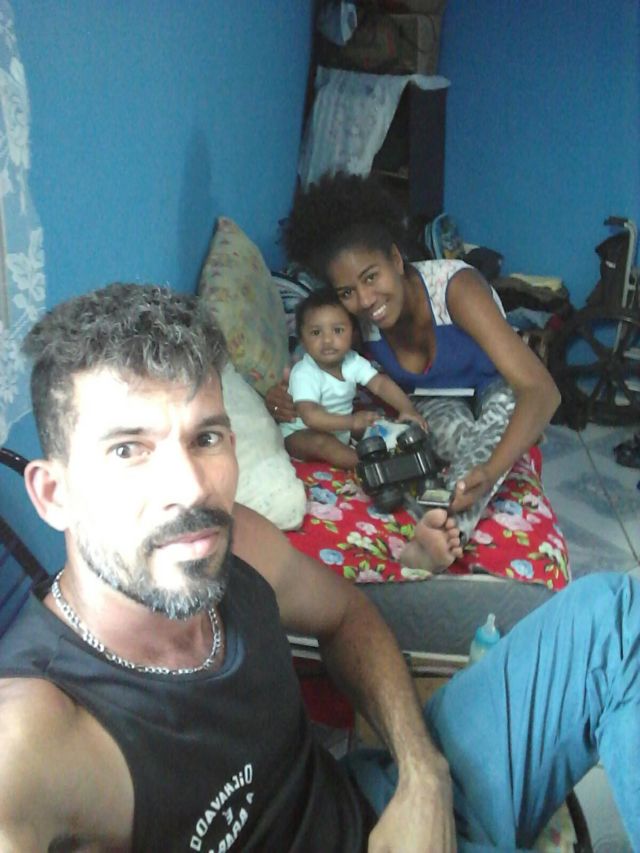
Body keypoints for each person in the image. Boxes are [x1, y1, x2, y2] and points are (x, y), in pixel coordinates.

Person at [0, 283, 638, 852]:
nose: (190, 488)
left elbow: (346, 612)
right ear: (53, 495)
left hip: (377, 801)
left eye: (206, 438)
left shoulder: (235, 541)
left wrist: (422, 775)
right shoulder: (38, 734)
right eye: (128, 449)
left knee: (616, 618)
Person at [267, 172, 562, 572]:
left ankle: (443, 530)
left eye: (371, 277)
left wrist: (491, 469)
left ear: (395, 258)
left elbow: (542, 390)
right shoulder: (356, 320)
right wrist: (280, 395)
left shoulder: (455, 289)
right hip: (435, 402)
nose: (365, 300)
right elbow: (310, 363)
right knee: (420, 440)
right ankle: (434, 513)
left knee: (504, 420)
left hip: (499, 387)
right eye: (347, 292)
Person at [281, 287, 426, 468]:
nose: (327, 340)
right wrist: (352, 422)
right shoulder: (304, 372)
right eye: (316, 333)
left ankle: (403, 450)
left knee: (377, 423)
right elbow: (311, 417)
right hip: (300, 433)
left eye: (338, 330)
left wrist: (407, 409)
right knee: (323, 443)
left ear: (353, 333)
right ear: (302, 339)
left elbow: (380, 384)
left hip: (341, 429)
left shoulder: (352, 361)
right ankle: (372, 467)